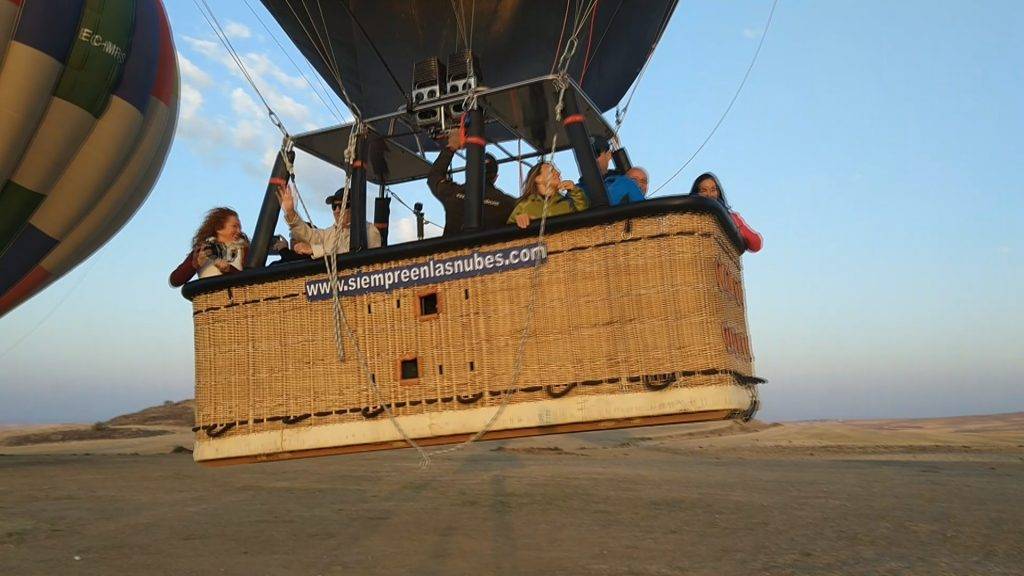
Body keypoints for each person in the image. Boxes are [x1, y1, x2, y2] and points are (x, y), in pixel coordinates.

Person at [427, 128, 518, 235]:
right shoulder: (509, 203)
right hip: (491, 251)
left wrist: (451, 147)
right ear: (495, 177)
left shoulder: (452, 193)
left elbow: (434, 176)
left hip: (454, 250)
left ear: (468, 172)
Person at [276, 186, 381, 258]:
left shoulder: (370, 231)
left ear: (355, 207)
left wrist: (314, 250)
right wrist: (290, 212)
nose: (337, 210)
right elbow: (308, 235)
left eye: (342, 206)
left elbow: (355, 259)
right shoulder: (328, 234)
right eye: (334, 206)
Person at [169, 207, 249, 287]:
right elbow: (174, 281)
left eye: (240, 227)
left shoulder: (243, 249)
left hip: (236, 298)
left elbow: (250, 279)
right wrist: (195, 264)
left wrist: (228, 269)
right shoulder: (201, 250)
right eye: (235, 226)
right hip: (209, 298)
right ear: (219, 228)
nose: (239, 231)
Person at [689, 172, 762, 253]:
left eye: (713, 190)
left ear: (718, 193)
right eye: (704, 190)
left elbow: (756, 244)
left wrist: (736, 225)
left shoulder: (732, 217)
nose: (709, 194)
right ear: (696, 194)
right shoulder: (687, 218)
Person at [507, 162, 589, 228]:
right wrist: (518, 221)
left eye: (556, 171)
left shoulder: (569, 202)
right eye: (551, 171)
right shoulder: (523, 206)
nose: (558, 173)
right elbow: (508, 233)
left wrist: (575, 191)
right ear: (538, 178)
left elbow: (586, 215)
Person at [578, 137, 645, 206]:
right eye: (586, 155)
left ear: (608, 155)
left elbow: (645, 212)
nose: (591, 158)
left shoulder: (625, 184)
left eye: (596, 154)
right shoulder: (575, 192)